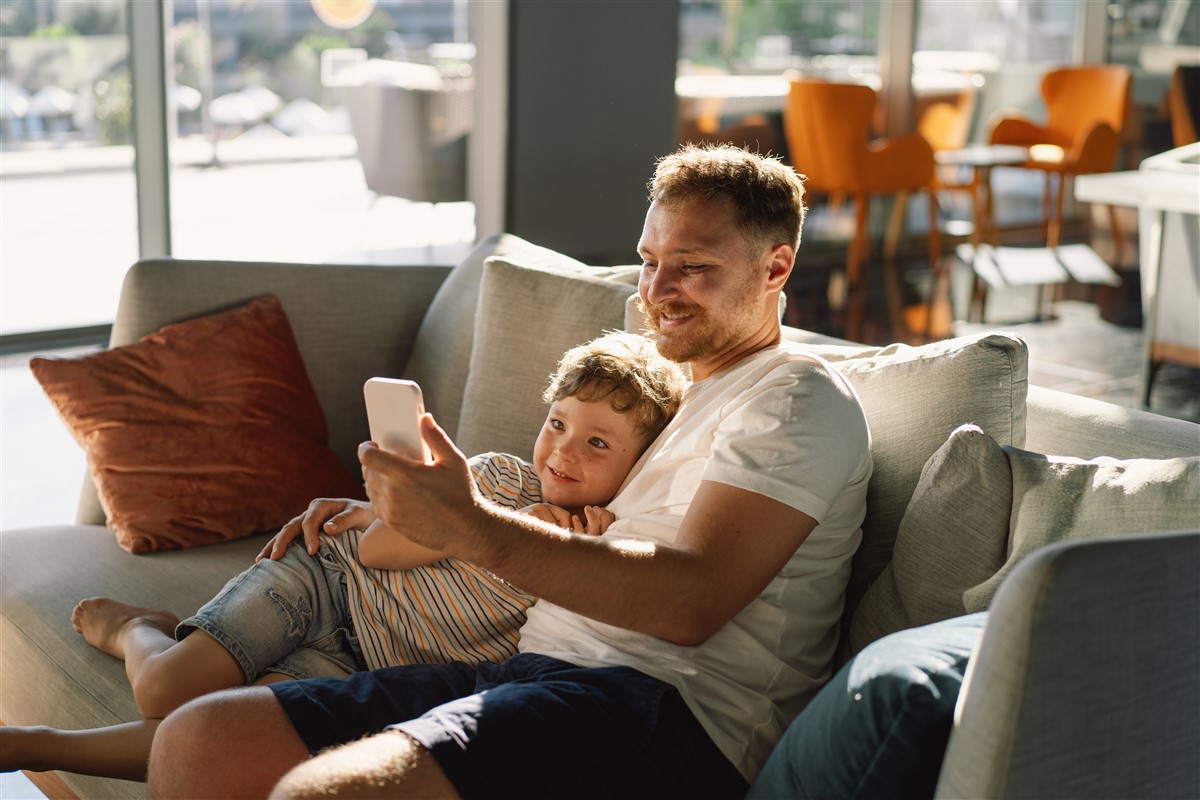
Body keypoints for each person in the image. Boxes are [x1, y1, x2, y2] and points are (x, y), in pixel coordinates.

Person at [147, 143, 873, 799]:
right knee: (197, 742)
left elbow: (695, 600)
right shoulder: (677, 395)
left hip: (659, 713)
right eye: (650, 261)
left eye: (693, 267)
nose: (654, 291)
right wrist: (388, 513)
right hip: (524, 674)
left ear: (776, 266)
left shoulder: (797, 396)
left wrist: (471, 526)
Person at [0, 331, 686, 783]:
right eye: (558, 424)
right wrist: (500, 526)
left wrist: (556, 548)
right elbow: (381, 549)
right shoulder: (500, 479)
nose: (562, 451)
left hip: (362, 665)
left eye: (598, 444)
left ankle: (34, 746)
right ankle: (137, 629)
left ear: (643, 463)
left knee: (225, 736)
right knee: (164, 688)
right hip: (328, 579)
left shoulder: (605, 558)